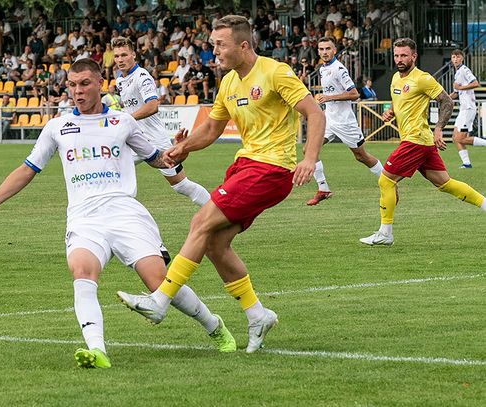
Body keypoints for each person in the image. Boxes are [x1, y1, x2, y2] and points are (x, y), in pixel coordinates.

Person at [0, 59, 236, 370]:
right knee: (82, 274)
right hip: (83, 217)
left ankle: (214, 326)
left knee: (157, 281)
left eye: (84, 84)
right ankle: (97, 350)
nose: (77, 91)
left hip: (124, 212)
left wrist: (178, 153)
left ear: (100, 83)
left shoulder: (123, 122)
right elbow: (28, 170)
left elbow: (156, 159)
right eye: (72, 85)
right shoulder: (57, 127)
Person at [117, 15, 325, 353]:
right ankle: (257, 314)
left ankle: (160, 300)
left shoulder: (276, 72)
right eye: (213, 44)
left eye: (220, 45)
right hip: (244, 166)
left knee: (200, 222)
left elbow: (314, 113)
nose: (214, 51)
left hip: (271, 169)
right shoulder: (228, 82)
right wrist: (183, 146)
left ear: (243, 46)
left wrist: (309, 157)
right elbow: (212, 129)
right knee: (214, 244)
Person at [360, 38, 486, 246]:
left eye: (404, 55)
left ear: (414, 56)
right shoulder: (395, 78)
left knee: (386, 180)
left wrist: (438, 129)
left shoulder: (423, 78)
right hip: (421, 142)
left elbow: (447, 100)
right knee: (445, 183)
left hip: (415, 140)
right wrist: (392, 112)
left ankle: (385, 233)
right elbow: (399, 101)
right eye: (397, 55)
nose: (399, 59)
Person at [112, 37, 210, 206]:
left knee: (181, 185)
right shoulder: (120, 79)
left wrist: (127, 118)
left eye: (124, 55)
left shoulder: (142, 76)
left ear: (133, 55)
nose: (120, 60)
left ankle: (215, 209)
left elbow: (152, 106)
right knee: (112, 170)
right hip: (133, 139)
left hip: (155, 140)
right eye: (117, 56)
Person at [307, 37, 383, 206]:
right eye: (321, 49)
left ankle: (387, 179)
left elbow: (354, 94)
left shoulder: (339, 69)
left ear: (334, 50)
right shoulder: (322, 69)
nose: (324, 52)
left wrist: (328, 97)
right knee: (309, 149)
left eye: (328, 49)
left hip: (345, 122)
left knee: (361, 156)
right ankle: (323, 189)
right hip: (329, 120)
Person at [449, 49, 485, 169]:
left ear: (462, 58)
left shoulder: (464, 70)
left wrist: (461, 87)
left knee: (461, 138)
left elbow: (475, 83)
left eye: (458, 57)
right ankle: (466, 163)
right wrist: (445, 99)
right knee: (455, 138)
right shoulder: (457, 73)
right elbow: (455, 92)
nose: (455, 59)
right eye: (453, 57)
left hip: (468, 108)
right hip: (463, 109)